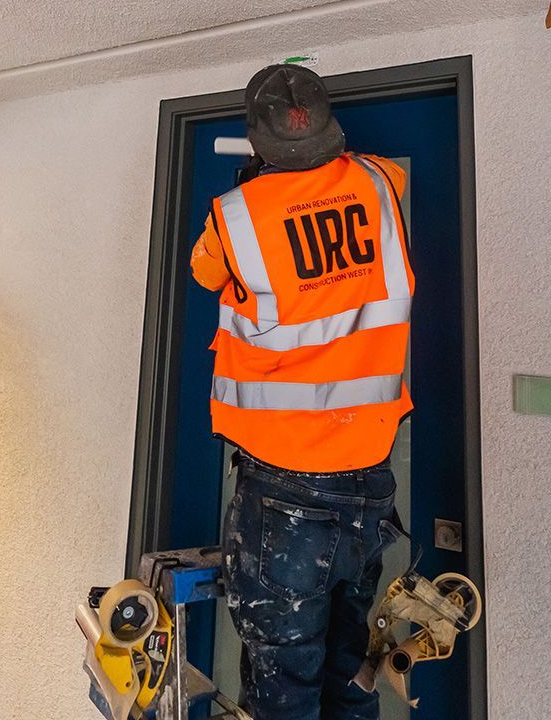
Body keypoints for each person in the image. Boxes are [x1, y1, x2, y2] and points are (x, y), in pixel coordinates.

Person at [190, 64, 413, 720]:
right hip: (369, 480)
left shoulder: (235, 216)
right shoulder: (382, 181)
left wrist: (257, 187)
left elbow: (206, 274)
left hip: (285, 491)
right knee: (351, 668)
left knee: (283, 680)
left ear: (258, 141)